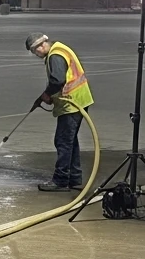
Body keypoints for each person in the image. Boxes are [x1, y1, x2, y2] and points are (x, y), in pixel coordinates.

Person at [25, 32, 94, 191]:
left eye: (35, 51)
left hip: (72, 103)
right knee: (70, 141)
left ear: (42, 45)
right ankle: (74, 178)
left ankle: (61, 181)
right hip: (80, 100)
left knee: (62, 141)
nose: (36, 55)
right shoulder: (60, 48)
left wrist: (46, 95)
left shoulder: (55, 56)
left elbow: (58, 80)